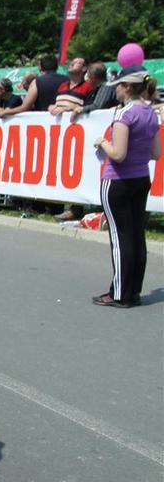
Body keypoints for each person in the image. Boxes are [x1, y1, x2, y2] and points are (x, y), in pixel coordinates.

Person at [92, 66, 161, 308]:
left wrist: (103, 142)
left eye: (119, 86)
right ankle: (133, 291)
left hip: (118, 180)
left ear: (128, 87)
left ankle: (120, 294)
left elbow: (118, 154)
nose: (116, 90)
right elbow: (156, 152)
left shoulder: (125, 114)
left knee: (120, 237)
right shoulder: (151, 113)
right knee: (136, 235)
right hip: (141, 178)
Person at [0, 55, 68, 116]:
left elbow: (25, 107)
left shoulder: (37, 82)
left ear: (40, 67)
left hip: (42, 121)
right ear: (56, 66)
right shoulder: (68, 80)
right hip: (64, 120)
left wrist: (6, 112)